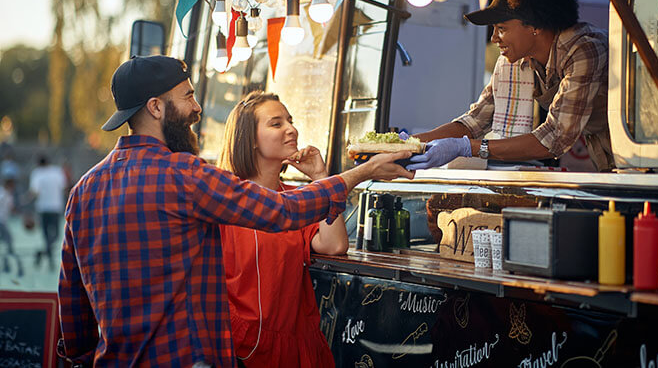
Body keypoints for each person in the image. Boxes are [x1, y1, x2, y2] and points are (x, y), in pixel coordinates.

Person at [57, 55, 413, 367]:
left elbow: (72, 320)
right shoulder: (183, 174)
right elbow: (283, 211)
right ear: (156, 107)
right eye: (189, 96)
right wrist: (363, 171)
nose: (197, 108)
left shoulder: (83, 191)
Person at [408, 0, 613, 172]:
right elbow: (476, 121)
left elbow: (555, 137)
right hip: (602, 154)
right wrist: (409, 143)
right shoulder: (517, 60)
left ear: (535, 25)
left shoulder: (585, 49)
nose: (494, 38)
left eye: (502, 29)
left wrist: (467, 148)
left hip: (637, 150)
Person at [217, 92, 345, 367]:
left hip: (294, 346)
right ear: (249, 138)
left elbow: (334, 245)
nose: (292, 129)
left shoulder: (295, 198)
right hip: (240, 347)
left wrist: (321, 179)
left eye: (290, 120)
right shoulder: (224, 199)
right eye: (276, 124)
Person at [28, 154, 68, 268]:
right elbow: (64, 188)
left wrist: (26, 200)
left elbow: (34, 192)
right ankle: (50, 261)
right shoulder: (57, 172)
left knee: (46, 236)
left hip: (43, 208)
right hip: (55, 207)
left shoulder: (37, 173)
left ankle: (41, 253)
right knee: (55, 235)